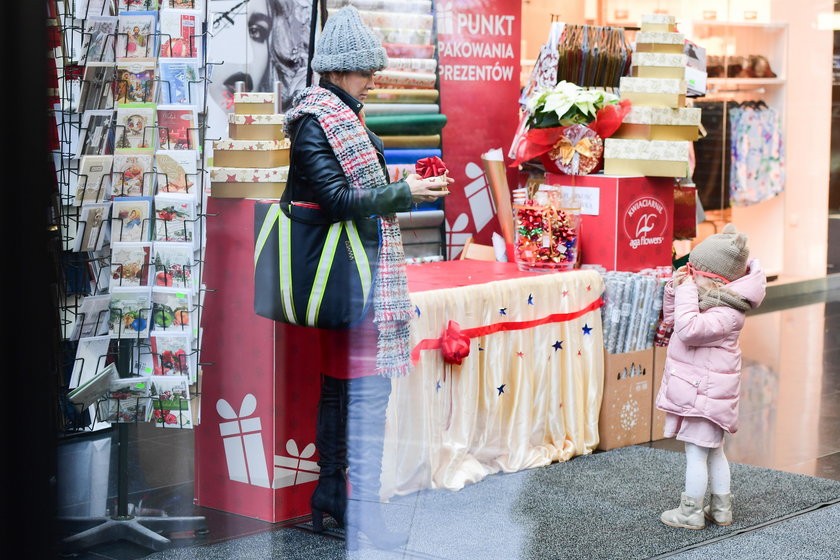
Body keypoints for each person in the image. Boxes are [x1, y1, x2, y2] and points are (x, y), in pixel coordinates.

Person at [283, 5, 452, 551]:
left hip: (357, 271)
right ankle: (360, 508)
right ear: (337, 70)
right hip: (347, 275)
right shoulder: (318, 120)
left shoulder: (341, 117)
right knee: (368, 397)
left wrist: (406, 183)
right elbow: (335, 199)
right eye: (364, 72)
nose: (372, 81)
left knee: (341, 390)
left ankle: (331, 496)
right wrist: (405, 193)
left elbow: (357, 189)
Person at [654, 223, 766, 530]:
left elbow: (688, 330)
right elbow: (675, 319)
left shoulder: (727, 313)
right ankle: (721, 508)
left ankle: (690, 511)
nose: (689, 275)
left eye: (693, 272)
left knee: (696, 453)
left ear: (713, 280)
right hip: (702, 390)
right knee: (713, 451)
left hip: (704, 394)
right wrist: (676, 290)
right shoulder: (710, 301)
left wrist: (687, 290)